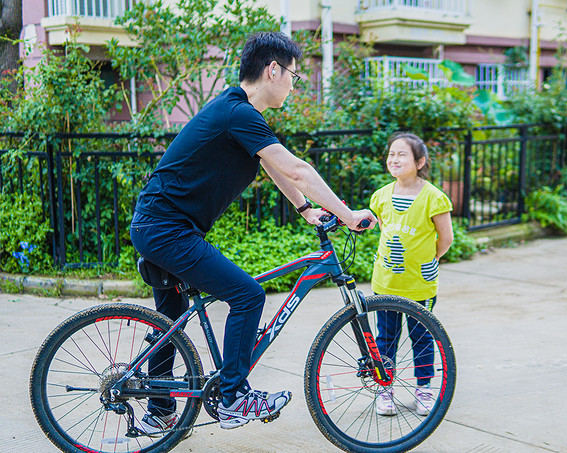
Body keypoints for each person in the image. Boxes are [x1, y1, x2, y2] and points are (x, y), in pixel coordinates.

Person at [129, 31, 376, 433]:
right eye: (294, 76)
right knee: (247, 295)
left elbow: (274, 167)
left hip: (160, 225)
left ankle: (159, 412)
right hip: (166, 229)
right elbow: (297, 167)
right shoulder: (238, 113)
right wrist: (347, 214)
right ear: (272, 69)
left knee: (170, 320)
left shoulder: (238, 112)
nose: (294, 85)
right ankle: (233, 398)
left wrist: (306, 208)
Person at [369, 132, 454, 416]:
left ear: (420, 162)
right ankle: (385, 390)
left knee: (422, 337)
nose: (394, 159)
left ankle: (424, 389)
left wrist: (431, 260)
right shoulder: (381, 197)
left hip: (420, 285)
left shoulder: (434, 198)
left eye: (402, 154)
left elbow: (446, 239)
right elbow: (384, 229)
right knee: (386, 338)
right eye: (391, 154)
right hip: (386, 283)